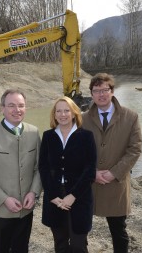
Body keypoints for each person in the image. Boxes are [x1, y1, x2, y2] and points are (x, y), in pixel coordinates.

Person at [0, 89, 42, 253]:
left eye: (21, 105)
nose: (17, 110)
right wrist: (4, 199)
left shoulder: (34, 132)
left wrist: (33, 193)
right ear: (2, 108)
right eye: (11, 105)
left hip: (26, 210)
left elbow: (39, 168)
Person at [82, 73, 142, 253]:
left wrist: (114, 173)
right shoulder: (82, 119)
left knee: (118, 231)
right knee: (81, 230)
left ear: (112, 91)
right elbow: (76, 152)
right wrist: (92, 172)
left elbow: (135, 149)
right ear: (91, 94)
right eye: (96, 91)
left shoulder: (130, 117)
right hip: (88, 184)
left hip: (116, 184)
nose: (101, 94)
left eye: (105, 90)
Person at [39, 96, 97, 253]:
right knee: (60, 243)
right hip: (55, 197)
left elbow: (90, 170)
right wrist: (52, 195)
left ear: (74, 113)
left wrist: (73, 195)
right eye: (59, 111)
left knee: (79, 245)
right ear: (54, 114)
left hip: (80, 197)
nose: (62, 114)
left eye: (66, 110)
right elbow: (43, 167)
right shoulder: (48, 136)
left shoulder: (86, 136)